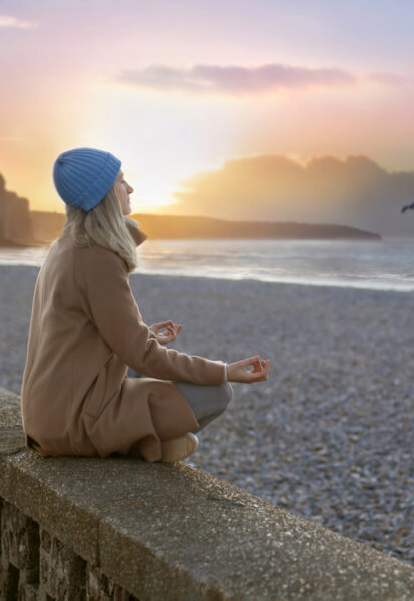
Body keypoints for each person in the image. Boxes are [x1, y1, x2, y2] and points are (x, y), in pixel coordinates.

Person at [21, 147, 270, 462]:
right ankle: (146, 445)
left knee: (151, 374)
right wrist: (224, 371)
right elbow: (143, 355)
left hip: (49, 411)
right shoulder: (96, 257)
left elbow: (81, 336)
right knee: (217, 392)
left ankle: (152, 445)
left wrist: (146, 333)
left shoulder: (66, 246)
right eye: (121, 181)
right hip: (72, 421)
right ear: (103, 194)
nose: (130, 188)